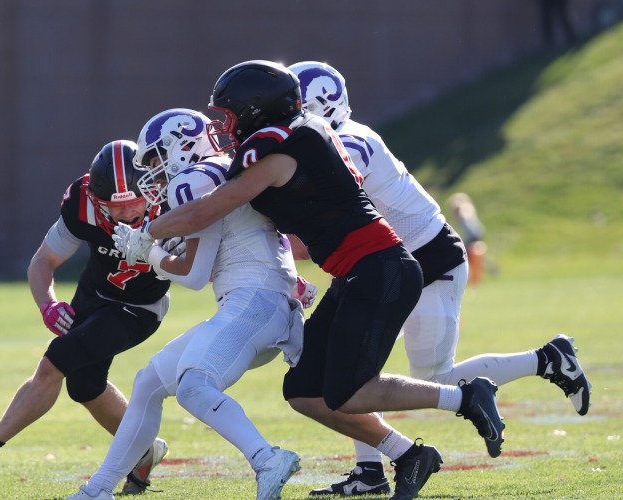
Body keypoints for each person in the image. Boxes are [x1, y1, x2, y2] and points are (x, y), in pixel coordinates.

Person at [114, 60, 506, 500]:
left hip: (379, 268)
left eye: (229, 114)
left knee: (349, 392)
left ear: (256, 109)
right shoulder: (299, 135)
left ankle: (467, 397)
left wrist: (148, 234)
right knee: (303, 391)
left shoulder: (279, 148)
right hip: (354, 272)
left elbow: (208, 210)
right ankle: (410, 457)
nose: (224, 126)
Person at [289, 60, 592, 497]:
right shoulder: (327, 139)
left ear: (319, 106)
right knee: (348, 370)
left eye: (292, 108)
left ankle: (547, 360)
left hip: (429, 260)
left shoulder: (350, 143)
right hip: (370, 264)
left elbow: (312, 197)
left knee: (432, 375)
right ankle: (370, 470)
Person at [66, 108, 314, 500]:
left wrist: (147, 252)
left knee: (194, 386)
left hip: (253, 304)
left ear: (181, 147)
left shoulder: (194, 180)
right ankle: (97, 490)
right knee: (148, 383)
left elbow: (194, 275)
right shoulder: (225, 170)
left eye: (156, 159)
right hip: (259, 303)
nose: (154, 172)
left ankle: (266, 458)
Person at [0, 140, 170, 494]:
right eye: (115, 206)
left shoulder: (173, 198)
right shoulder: (82, 203)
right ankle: (145, 450)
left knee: (54, 362)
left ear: (151, 188)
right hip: (94, 295)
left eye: (134, 201)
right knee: (85, 387)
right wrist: (48, 304)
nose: (128, 213)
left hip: (139, 307)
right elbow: (43, 262)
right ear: (97, 200)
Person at [447, 192, 488, 286]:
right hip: (475, 236)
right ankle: (472, 281)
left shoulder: (462, 209)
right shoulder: (468, 208)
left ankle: (470, 281)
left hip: (473, 237)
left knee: (466, 259)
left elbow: (469, 226)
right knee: (472, 260)